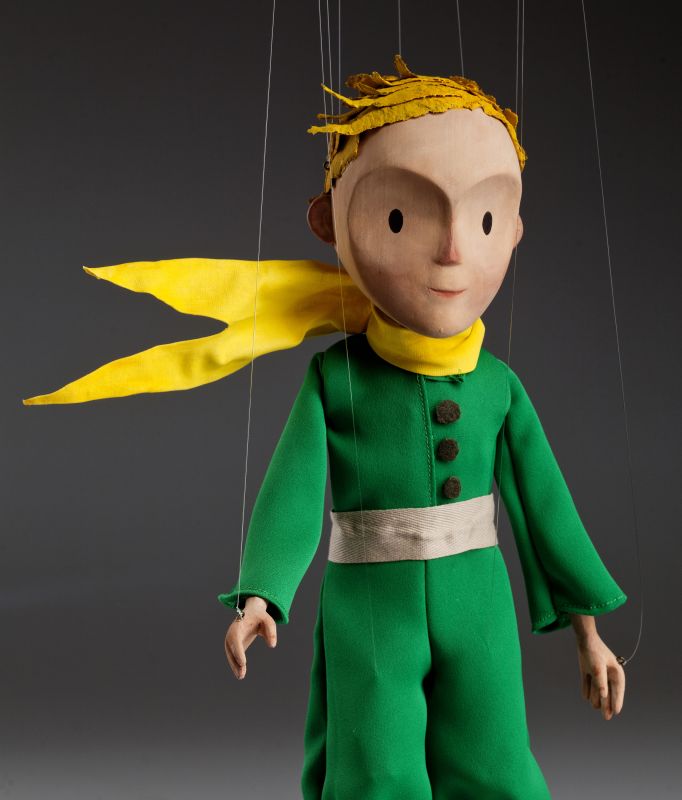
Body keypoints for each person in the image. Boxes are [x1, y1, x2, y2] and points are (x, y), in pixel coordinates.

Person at [23, 55, 627, 799]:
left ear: (515, 229)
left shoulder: (498, 386)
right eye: (401, 218)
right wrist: (261, 593)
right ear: (328, 222)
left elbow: (546, 507)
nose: (452, 249)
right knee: (375, 764)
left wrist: (588, 633)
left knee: (495, 758)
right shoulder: (336, 379)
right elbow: (293, 488)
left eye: (485, 219)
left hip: (479, 599)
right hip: (370, 605)